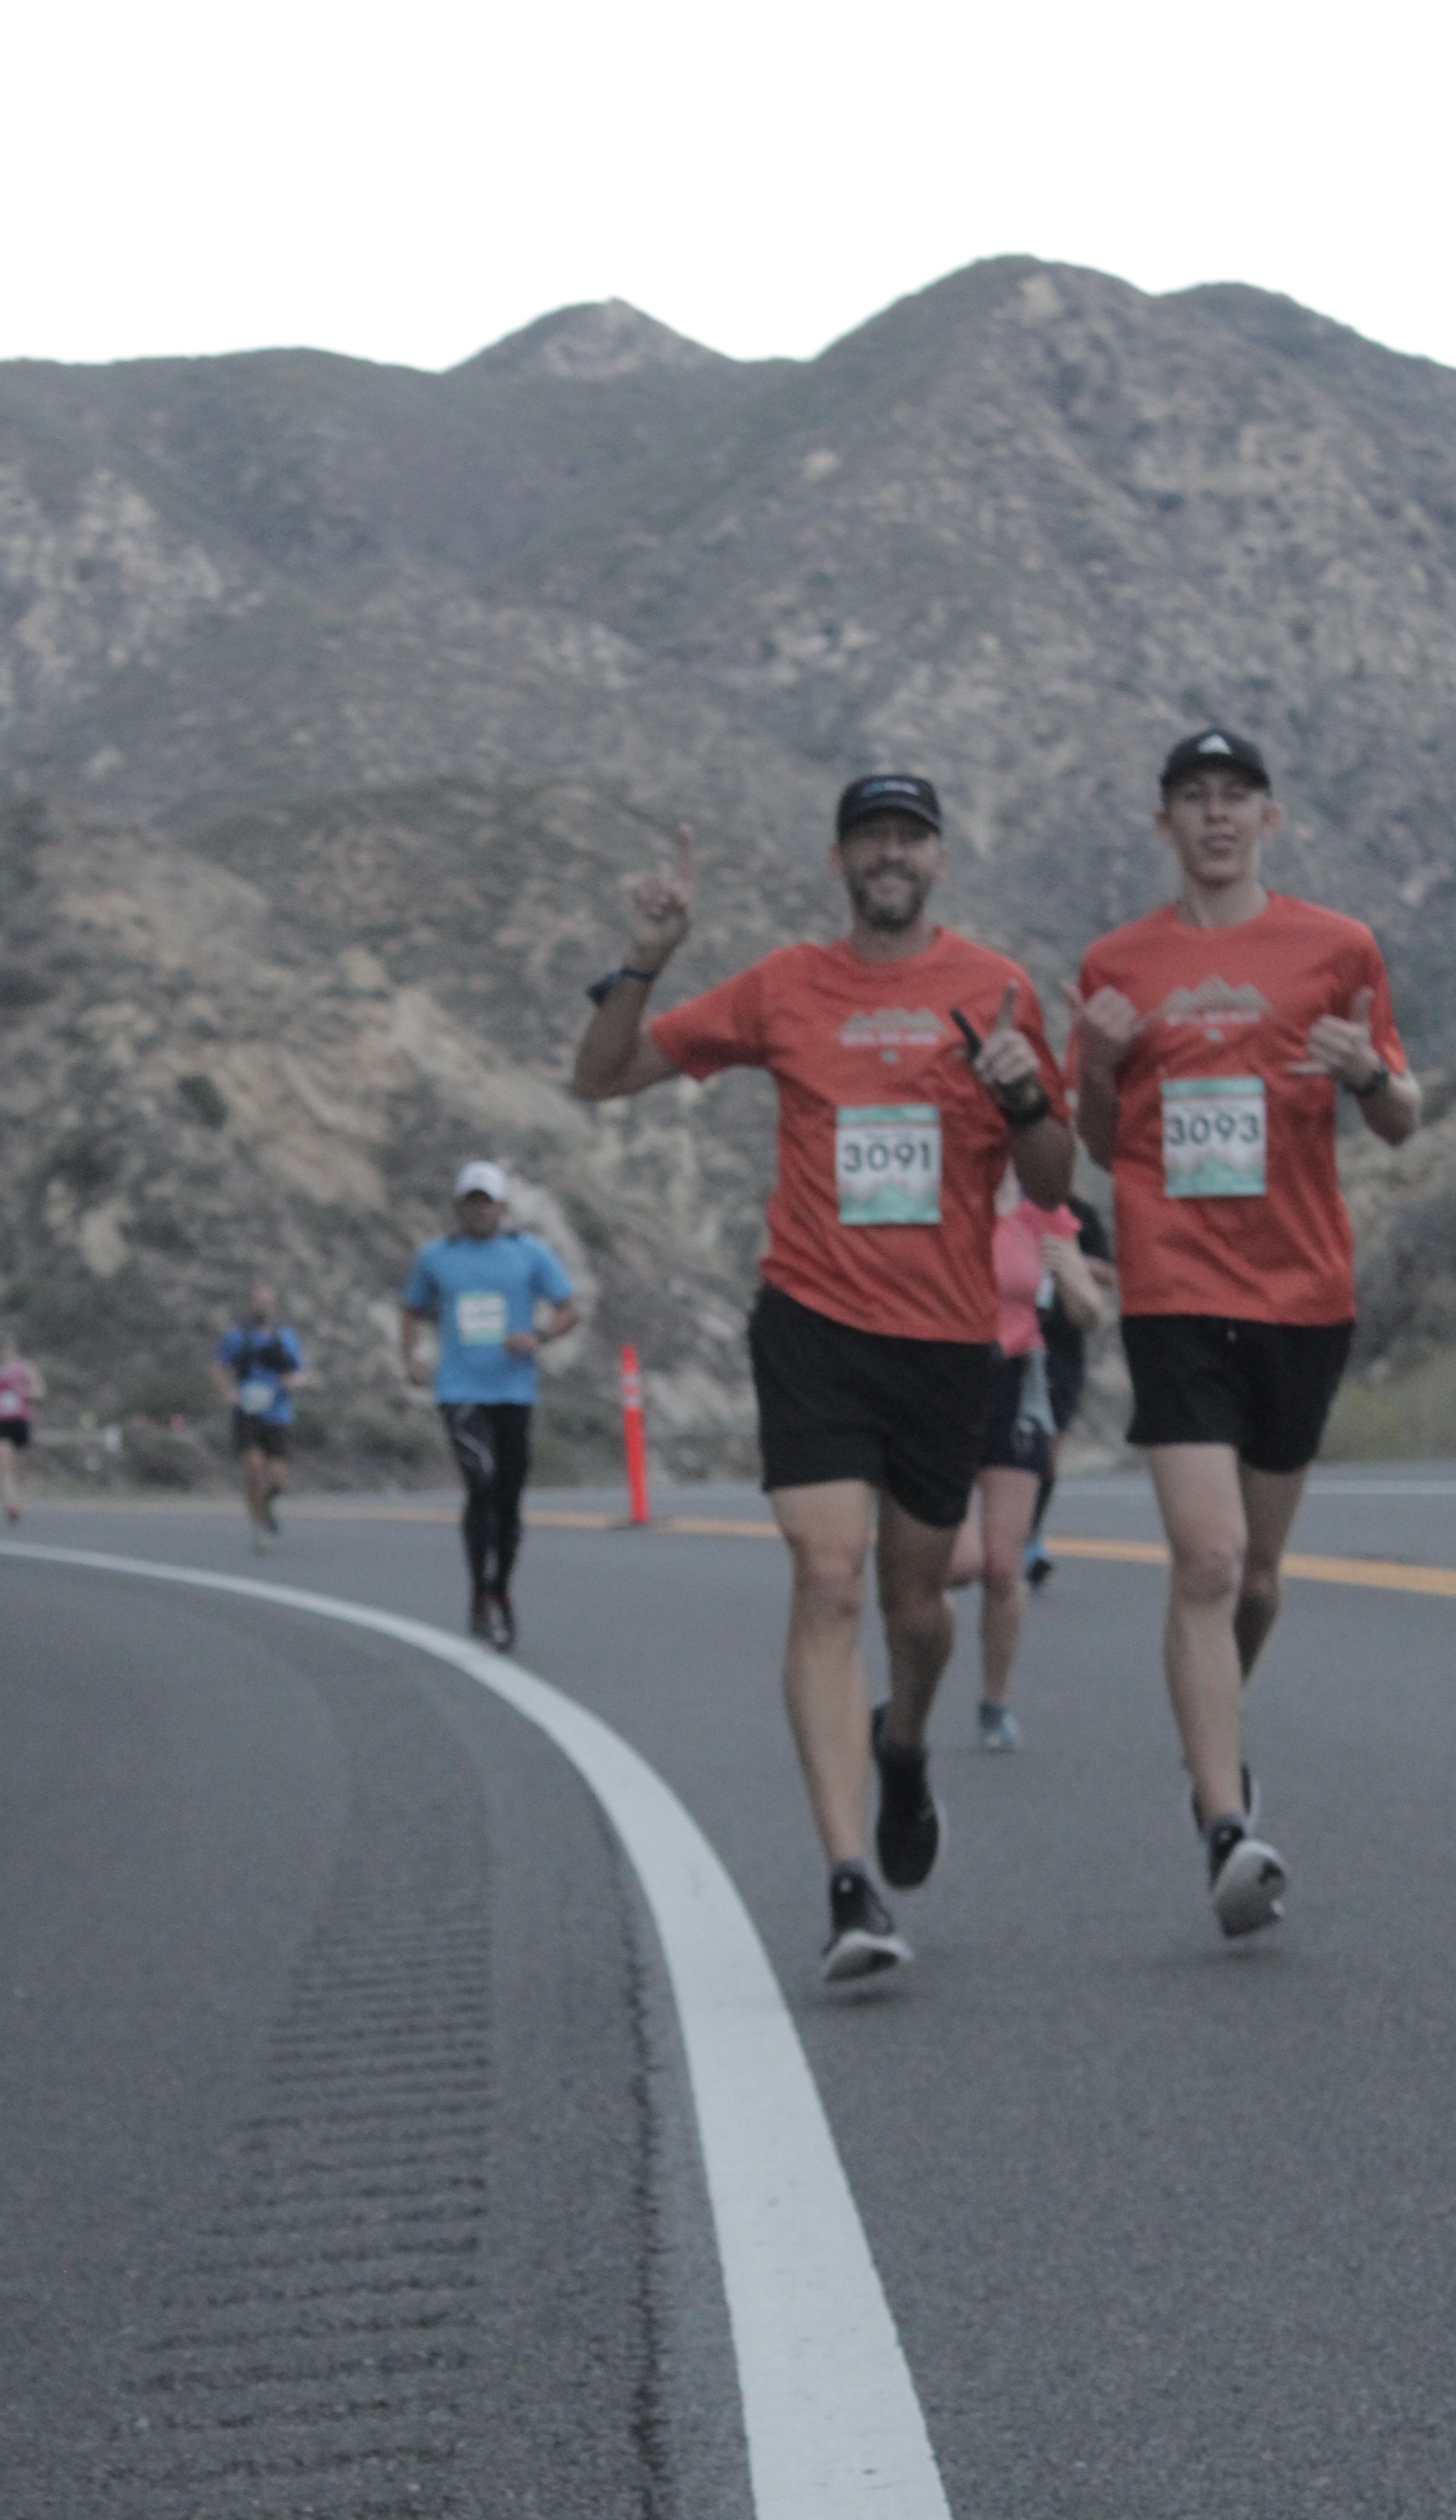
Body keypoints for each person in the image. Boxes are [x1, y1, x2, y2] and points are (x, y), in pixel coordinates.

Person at [573, 782, 1072, 1982]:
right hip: (811, 1325)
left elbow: (1055, 1180)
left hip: (945, 1340)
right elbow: (603, 1074)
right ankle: (852, 1884)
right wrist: (643, 962)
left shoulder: (996, 987)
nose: (889, 855)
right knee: (829, 1578)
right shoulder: (785, 985)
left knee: (918, 1608)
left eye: (909, 838)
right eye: (869, 838)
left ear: (938, 860)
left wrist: (1023, 1095)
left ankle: (903, 1744)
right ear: (839, 860)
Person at [1070, 727, 1419, 1937]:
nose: (1215, 815)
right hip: (1173, 1288)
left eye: (1236, 796)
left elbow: (1402, 1118)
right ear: (1163, 823)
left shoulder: (1339, 948)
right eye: (1192, 797)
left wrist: (1363, 1074)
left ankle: (1214, 1737)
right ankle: (1225, 1822)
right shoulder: (1116, 964)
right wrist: (1101, 1064)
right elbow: (1098, 1141)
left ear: (1269, 819)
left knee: (1258, 1580)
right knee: (1209, 1560)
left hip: (1301, 1292)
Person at [948, 1173, 1106, 1748]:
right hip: (941, 1381)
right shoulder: (942, 1194)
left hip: (1015, 1384)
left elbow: (1090, 1312)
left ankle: (994, 1705)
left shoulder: (1041, 1212)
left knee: (1002, 1565)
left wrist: (1068, 1273)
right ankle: (916, 1661)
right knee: (958, 1564)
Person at [400, 1163, 576, 1650]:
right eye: (471, 1200)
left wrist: (539, 1335)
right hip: (460, 1389)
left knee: (508, 1499)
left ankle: (499, 1588)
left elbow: (569, 1307)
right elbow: (411, 1307)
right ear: (459, 1206)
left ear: (501, 1206)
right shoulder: (436, 1257)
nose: (479, 1209)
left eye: (487, 1201)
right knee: (480, 1484)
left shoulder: (529, 1253)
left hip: (514, 1391)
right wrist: (410, 1357)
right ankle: (480, 1592)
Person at [1024, 1193, 1115, 1586]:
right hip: (1006, 1344)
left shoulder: (1077, 1214)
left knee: (1047, 1452)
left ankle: (1030, 1535)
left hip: (1060, 1346)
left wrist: (1073, 1262)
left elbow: (1111, 1275)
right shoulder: (999, 1202)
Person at [213, 1287, 306, 1551]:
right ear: (250, 1304)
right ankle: (261, 1527)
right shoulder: (237, 1337)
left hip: (278, 1414)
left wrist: (293, 1382)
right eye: (257, 1301)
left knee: (278, 1481)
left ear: (273, 1306)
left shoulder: (286, 1337)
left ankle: (264, 1506)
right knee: (253, 1468)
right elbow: (218, 1369)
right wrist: (228, 1393)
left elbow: (300, 1371)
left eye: (267, 1302)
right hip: (247, 1413)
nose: (262, 1306)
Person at [0, 1342, 46, 1524]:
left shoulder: (26, 1368)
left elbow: (40, 1391)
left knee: (18, 1466)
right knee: (5, 1463)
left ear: (12, 1350)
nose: (3, 1353)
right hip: (1, 1422)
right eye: (0, 1350)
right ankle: (10, 1502)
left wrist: (24, 1392)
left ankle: (16, 1498)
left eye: (6, 1349)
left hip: (20, 1421)